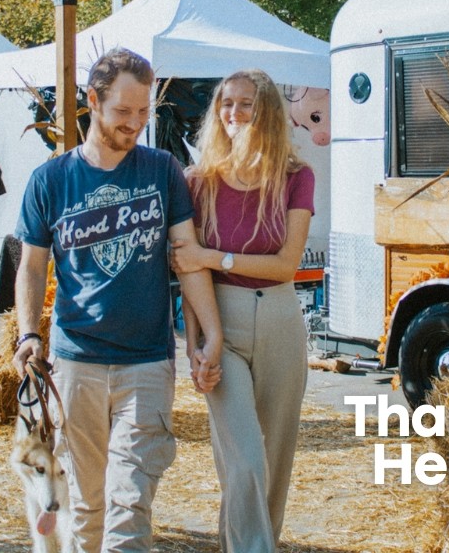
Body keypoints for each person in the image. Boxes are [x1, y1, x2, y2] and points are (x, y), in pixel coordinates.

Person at [11, 47, 224, 553]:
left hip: (146, 363)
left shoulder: (161, 170)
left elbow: (187, 257)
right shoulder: (51, 180)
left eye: (143, 112)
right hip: (75, 363)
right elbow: (32, 265)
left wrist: (209, 334)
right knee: (87, 506)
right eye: (123, 112)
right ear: (93, 101)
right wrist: (28, 334)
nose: (135, 124)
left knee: (129, 506)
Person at [171, 69, 314, 553]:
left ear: (268, 111)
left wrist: (215, 257)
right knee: (246, 459)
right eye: (225, 103)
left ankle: (250, 544)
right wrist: (193, 344)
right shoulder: (198, 183)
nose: (233, 113)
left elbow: (286, 264)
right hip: (221, 324)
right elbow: (191, 274)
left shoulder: (297, 178)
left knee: (272, 461)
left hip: (280, 320)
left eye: (245, 103)